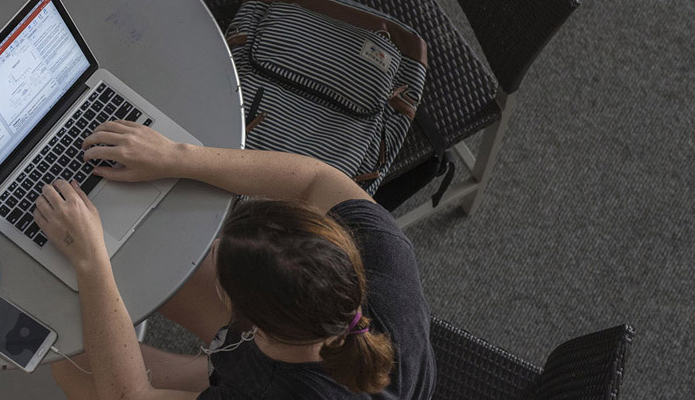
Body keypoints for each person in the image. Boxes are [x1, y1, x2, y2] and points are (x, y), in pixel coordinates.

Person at [34, 120, 435, 400]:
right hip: (281, 365)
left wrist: (91, 262)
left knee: (69, 358)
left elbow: (130, 395)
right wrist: (179, 156)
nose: (212, 245)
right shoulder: (383, 253)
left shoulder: (270, 393)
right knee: (150, 269)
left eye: (223, 272)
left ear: (253, 326)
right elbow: (315, 179)